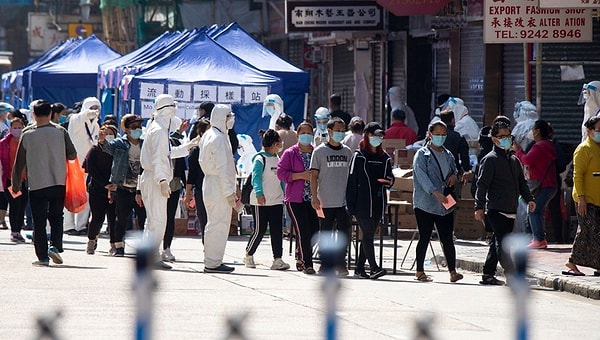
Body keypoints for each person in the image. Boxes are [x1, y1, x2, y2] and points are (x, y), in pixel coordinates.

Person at [12, 100, 77, 266]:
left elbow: (19, 163)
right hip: (58, 183)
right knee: (56, 216)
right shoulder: (61, 131)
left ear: (33, 114)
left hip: (37, 185)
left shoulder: (26, 134)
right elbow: (72, 154)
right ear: (50, 114)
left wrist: (16, 184)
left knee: (39, 221)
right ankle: (55, 246)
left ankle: (42, 257)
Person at [475, 119, 535, 285]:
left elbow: (522, 183)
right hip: (496, 209)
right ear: (494, 139)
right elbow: (482, 185)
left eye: (509, 136)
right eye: (502, 136)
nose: (507, 139)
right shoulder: (490, 160)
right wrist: (478, 207)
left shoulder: (514, 160)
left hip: (511, 208)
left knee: (497, 242)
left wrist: (529, 198)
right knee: (504, 244)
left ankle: (488, 274)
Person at [412, 121, 463, 283]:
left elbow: (454, 170)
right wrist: (435, 192)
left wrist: (454, 176)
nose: (440, 137)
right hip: (426, 202)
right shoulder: (422, 154)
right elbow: (421, 176)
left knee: (447, 237)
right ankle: (420, 271)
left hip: (446, 201)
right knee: (425, 236)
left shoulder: (448, 154)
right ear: (429, 134)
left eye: (443, 134)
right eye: (437, 134)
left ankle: (452, 271)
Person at [346, 122, 394, 279]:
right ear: (367, 135)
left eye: (380, 136)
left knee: (368, 235)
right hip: (362, 203)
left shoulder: (384, 157)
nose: (378, 139)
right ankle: (373, 267)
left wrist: (389, 182)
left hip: (378, 203)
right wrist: (350, 206)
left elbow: (390, 178)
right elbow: (351, 181)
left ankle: (360, 268)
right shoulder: (358, 156)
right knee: (367, 233)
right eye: (375, 135)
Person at [98, 114, 147, 256]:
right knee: (121, 219)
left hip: (140, 189)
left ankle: (143, 248)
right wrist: (102, 141)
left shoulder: (145, 144)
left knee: (143, 219)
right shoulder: (120, 143)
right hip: (123, 188)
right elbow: (108, 147)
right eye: (133, 127)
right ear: (126, 129)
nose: (137, 129)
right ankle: (119, 247)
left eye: (139, 127)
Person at [310, 117, 353, 275]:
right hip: (325, 201)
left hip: (343, 202)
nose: (341, 133)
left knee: (344, 233)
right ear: (329, 131)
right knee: (326, 234)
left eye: (343, 131)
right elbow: (313, 176)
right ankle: (325, 264)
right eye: (338, 130)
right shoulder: (319, 151)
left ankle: (341, 263)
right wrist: (314, 197)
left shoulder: (347, 152)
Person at [198, 104, 238, 274]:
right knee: (219, 224)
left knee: (213, 223)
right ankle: (213, 262)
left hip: (210, 183)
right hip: (219, 185)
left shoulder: (210, 134)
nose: (231, 119)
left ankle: (211, 259)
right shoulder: (219, 139)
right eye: (229, 116)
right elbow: (223, 168)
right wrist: (229, 192)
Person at [277, 121, 320, 274]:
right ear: (297, 135)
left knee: (315, 229)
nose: (306, 136)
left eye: (309, 133)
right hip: (295, 199)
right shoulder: (290, 153)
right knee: (303, 231)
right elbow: (281, 173)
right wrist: (299, 176)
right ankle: (307, 263)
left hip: (313, 198)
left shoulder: (316, 152)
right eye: (303, 133)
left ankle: (299, 252)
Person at [243, 129, 289, 270]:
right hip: (260, 202)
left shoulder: (277, 158)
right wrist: (259, 193)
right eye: (280, 143)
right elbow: (256, 178)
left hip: (276, 200)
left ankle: (277, 259)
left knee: (276, 230)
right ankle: (249, 255)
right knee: (259, 229)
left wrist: (284, 194)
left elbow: (280, 179)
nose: (281, 145)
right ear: (275, 144)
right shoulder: (259, 159)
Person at [564, 116, 600, 276]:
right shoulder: (583, 149)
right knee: (587, 230)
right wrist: (582, 198)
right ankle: (572, 262)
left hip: (598, 198)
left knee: (595, 232)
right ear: (589, 131)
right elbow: (577, 175)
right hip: (586, 199)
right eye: (598, 130)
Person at [513, 120, 557, 249]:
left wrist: (518, 151)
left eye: (533, 129)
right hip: (548, 184)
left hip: (543, 185)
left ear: (537, 131)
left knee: (534, 211)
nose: (531, 132)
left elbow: (527, 160)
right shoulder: (548, 145)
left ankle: (539, 239)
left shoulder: (539, 146)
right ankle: (537, 238)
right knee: (538, 211)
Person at [65, 97, 101, 235]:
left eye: (97, 108)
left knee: (85, 195)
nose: (95, 111)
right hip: (74, 163)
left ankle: (81, 225)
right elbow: (80, 117)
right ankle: (68, 225)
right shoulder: (75, 119)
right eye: (92, 108)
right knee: (70, 194)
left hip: (88, 166)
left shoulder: (96, 125)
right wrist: (87, 113)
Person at [82, 124, 117, 254]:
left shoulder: (118, 150)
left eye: (110, 133)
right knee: (97, 217)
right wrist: (104, 184)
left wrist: (114, 184)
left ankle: (114, 244)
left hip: (115, 188)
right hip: (97, 188)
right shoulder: (95, 150)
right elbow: (91, 169)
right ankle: (92, 240)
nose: (107, 136)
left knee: (114, 218)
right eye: (105, 133)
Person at [160, 116, 189, 263]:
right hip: (158, 184)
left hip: (174, 185)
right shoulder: (155, 138)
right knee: (157, 217)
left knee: (169, 217)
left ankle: (167, 247)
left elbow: (182, 167)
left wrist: (187, 189)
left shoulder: (176, 142)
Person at [0, 117, 27, 241]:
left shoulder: (27, 141)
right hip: (11, 179)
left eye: (20, 127)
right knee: (15, 204)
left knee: (22, 205)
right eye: (15, 128)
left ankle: (18, 230)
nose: (17, 130)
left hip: (25, 180)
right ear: (10, 128)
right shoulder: (4, 144)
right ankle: (15, 231)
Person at [184, 119, 211, 239]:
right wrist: (188, 193)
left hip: (214, 188)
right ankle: (208, 247)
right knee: (204, 220)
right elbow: (191, 175)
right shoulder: (195, 151)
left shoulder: (215, 148)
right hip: (200, 190)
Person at [439, 110, 472, 181]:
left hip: (436, 171)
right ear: (453, 120)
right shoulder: (458, 137)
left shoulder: (433, 136)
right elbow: (464, 156)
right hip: (452, 174)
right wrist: (466, 170)